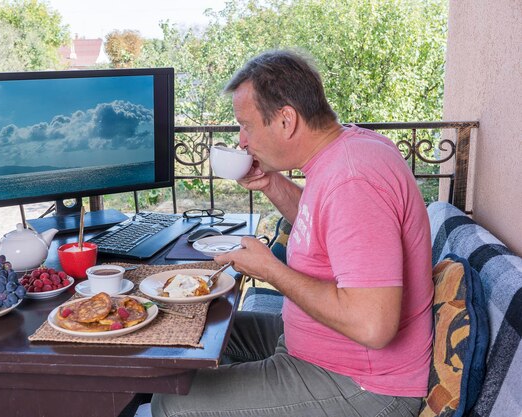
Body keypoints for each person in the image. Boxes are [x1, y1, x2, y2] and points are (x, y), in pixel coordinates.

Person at [151, 49, 433, 417]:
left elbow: (372, 325)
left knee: (171, 403)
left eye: (246, 126)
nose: (241, 141)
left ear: (286, 120)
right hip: (315, 343)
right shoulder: (348, 148)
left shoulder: (353, 179)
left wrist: (270, 270)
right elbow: (328, 225)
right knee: (187, 328)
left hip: (363, 384)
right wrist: (270, 183)